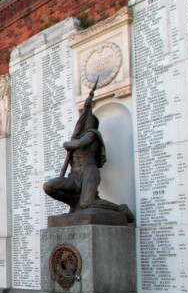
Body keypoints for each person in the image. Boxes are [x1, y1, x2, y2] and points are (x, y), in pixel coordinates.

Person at [43, 88, 134, 222]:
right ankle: (74, 204)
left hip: (89, 172)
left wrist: (68, 144)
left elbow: (81, 143)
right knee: (49, 186)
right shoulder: (77, 138)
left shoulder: (92, 134)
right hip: (74, 176)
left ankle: (121, 209)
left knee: (87, 203)